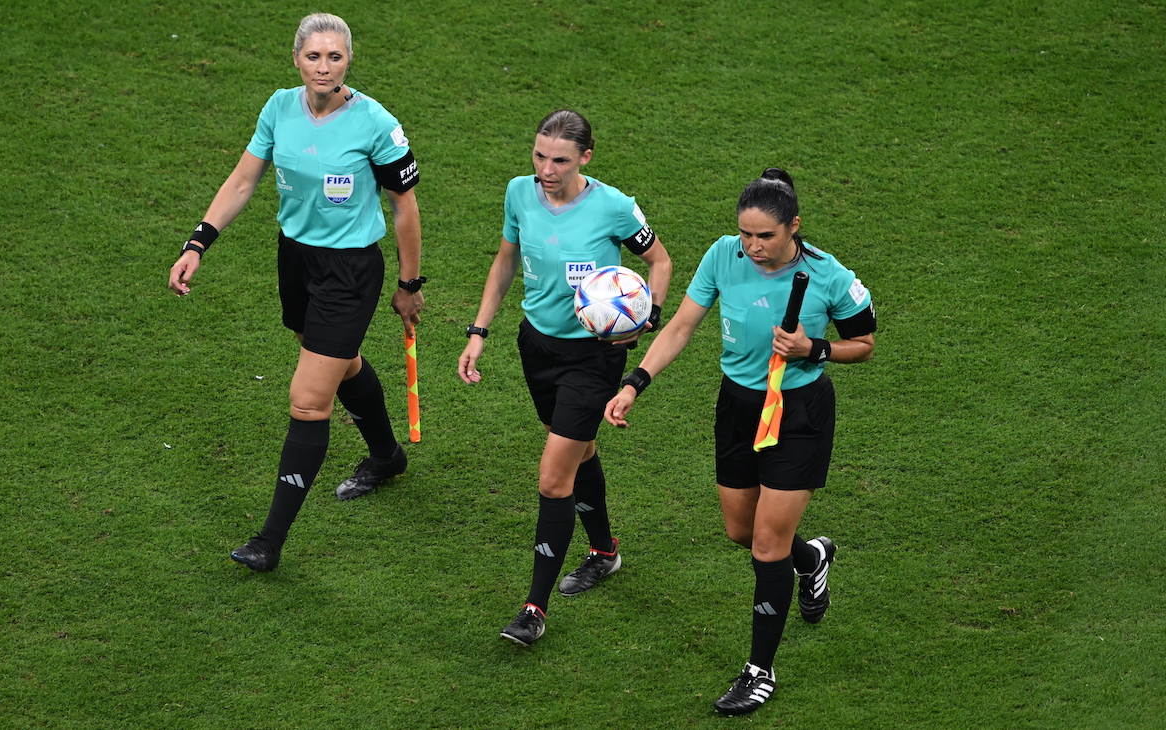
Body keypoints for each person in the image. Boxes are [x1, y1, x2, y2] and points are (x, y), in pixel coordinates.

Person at [604, 168, 876, 715]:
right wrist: (636, 383)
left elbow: (864, 343)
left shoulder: (828, 276)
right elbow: (681, 325)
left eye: (765, 237)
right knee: (740, 531)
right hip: (738, 408)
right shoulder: (722, 255)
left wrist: (813, 349)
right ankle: (813, 557)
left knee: (766, 548)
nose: (752, 246)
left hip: (798, 414)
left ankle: (759, 671)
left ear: (793, 227)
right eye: (746, 234)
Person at [167, 13, 425, 572]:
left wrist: (409, 284)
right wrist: (197, 243)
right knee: (341, 362)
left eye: (335, 57)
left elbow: (404, 208)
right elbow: (242, 181)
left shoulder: (376, 123)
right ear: (297, 59)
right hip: (296, 260)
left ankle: (270, 542)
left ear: (349, 60)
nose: (324, 67)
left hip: (350, 270)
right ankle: (386, 456)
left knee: (309, 399)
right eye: (314, 57)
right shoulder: (279, 107)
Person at [458, 110, 672, 647]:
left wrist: (649, 318)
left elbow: (660, 262)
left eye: (559, 160)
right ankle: (605, 553)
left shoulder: (613, 206)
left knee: (554, 477)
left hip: (593, 359)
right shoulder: (518, 194)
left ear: (585, 158)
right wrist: (479, 330)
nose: (546, 169)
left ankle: (534, 609)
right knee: (581, 453)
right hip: (537, 347)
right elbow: (506, 261)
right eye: (539, 156)